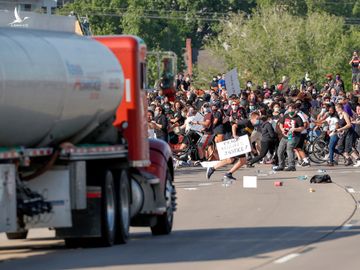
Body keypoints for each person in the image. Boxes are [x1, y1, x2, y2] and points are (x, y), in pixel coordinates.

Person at [206, 112, 259, 181]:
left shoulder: (252, 127)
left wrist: (250, 147)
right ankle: (216, 169)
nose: (258, 120)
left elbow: (247, 136)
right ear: (253, 118)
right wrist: (234, 135)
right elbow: (234, 126)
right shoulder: (246, 122)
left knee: (237, 160)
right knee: (234, 160)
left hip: (240, 143)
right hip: (235, 141)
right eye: (257, 119)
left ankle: (226, 173)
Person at [273, 103, 305, 171]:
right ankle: (281, 165)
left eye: (292, 109)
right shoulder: (286, 116)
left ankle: (291, 165)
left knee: (289, 149)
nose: (290, 110)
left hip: (294, 136)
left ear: (295, 110)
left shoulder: (298, 118)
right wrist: (282, 129)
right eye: (289, 108)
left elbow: (302, 128)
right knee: (280, 151)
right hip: (285, 136)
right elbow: (281, 124)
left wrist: (295, 129)